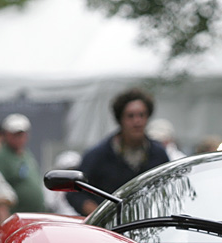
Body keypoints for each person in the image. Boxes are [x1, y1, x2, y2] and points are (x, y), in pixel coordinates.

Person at [69, 87, 169, 215]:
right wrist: (98, 215)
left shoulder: (159, 154)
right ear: (120, 120)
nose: (137, 121)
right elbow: (75, 193)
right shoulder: (98, 155)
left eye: (142, 115)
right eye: (130, 116)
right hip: (108, 230)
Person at [0, 113, 45, 214]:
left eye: (21, 134)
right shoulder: (1, 157)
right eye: (15, 134)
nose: (19, 138)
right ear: (6, 135)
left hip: (33, 215)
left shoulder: (27, 154)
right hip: (16, 217)